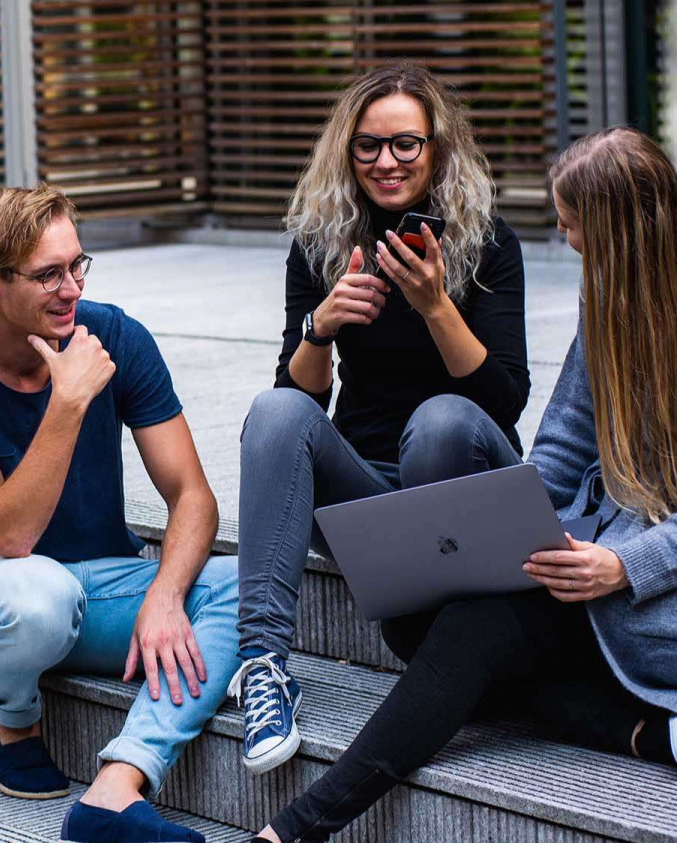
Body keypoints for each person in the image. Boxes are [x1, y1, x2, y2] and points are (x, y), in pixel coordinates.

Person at [251, 126, 677, 842]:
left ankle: (297, 826)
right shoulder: (611, 290)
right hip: (601, 539)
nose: (566, 240)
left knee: (471, 629)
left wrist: (623, 565)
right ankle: (623, 723)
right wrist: (505, 529)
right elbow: (563, 445)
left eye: (573, 225)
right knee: (412, 623)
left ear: (621, 226)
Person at [0, 185, 240, 843]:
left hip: (104, 582)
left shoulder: (115, 335)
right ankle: (11, 717)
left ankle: (117, 786)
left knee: (245, 584)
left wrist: (166, 595)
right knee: (38, 596)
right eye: (49, 274)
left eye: (78, 265)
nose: (72, 288)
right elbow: (9, 533)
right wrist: (68, 401)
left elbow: (192, 495)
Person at [231, 63, 530, 774]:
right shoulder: (322, 243)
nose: (386, 162)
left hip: (462, 485)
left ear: (437, 148)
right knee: (273, 411)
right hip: (368, 497)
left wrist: (435, 305)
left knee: (441, 421)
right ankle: (264, 667)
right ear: (347, 150)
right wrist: (321, 326)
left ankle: (447, 635)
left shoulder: (489, 242)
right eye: (367, 145)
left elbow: (504, 401)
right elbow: (298, 406)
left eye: (405, 144)